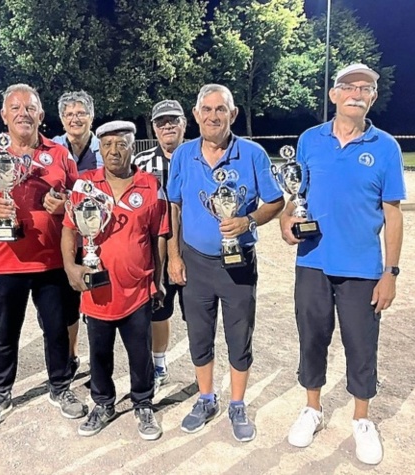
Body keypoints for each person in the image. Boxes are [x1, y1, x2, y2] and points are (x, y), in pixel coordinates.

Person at [280, 63, 406, 465]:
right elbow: (296, 196)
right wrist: (286, 221)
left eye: (365, 88)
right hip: (313, 262)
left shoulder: (385, 146)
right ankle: (312, 409)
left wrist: (390, 272)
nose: (357, 93)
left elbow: (393, 214)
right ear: (333, 94)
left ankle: (362, 420)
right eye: (349, 86)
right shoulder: (309, 140)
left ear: (373, 97)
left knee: (361, 345)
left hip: (362, 268)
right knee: (312, 339)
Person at [0, 84, 87, 431]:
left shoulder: (60, 155)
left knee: (56, 331)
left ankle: (60, 387)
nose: (23, 113)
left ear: (41, 115)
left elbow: (80, 200)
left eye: (30, 107)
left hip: (52, 262)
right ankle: (0, 392)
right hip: (5, 263)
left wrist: (65, 205)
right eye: (15, 108)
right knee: (5, 333)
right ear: (4, 115)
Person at [166, 84, 284, 442]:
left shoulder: (252, 154)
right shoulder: (183, 155)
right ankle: (206, 399)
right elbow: (173, 206)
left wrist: (248, 221)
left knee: (238, 335)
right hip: (195, 262)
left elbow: (275, 202)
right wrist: (173, 255)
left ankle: (237, 403)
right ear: (196, 114)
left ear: (232, 114)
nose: (213, 116)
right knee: (199, 335)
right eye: (207, 109)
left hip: (238, 263)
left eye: (221, 109)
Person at [62, 121, 169, 440]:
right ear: (100, 149)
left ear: (132, 147)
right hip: (97, 289)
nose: (113, 151)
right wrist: (70, 266)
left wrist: (158, 280)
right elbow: (69, 227)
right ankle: (103, 403)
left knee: (140, 352)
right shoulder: (85, 184)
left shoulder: (150, 185)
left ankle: (143, 403)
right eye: (107, 145)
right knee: (99, 353)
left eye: (121, 144)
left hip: (137, 289)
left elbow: (159, 235)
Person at [133, 99, 187, 391]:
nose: (168, 126)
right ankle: (159, 364)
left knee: (198, 312)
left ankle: (203, 369)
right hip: (154, 248)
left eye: (173, 120)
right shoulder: (140, 162)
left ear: (184, 124)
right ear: (153, 128)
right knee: (158, 309)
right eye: (161, 122)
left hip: (192, 246)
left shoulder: (198, 155)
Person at [52, 90, 104, 377]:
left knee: (98, 302)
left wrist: (69, 204)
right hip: (65, 238)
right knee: (67, 303)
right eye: (69, 114)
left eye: (81, 113)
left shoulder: (105, 148)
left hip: (99, 238)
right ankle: (71, 356)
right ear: (62, 119)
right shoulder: (52, 149)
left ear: (91, 117)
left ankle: (99, 360)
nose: (75, 119)